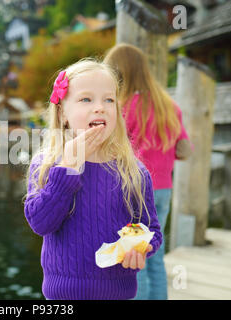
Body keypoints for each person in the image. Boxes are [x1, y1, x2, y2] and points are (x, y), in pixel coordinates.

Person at [23, 58, 162, 300]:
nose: (100, 107)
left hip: (118, 294)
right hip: (62, 296)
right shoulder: (47, 165)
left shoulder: (133, 171)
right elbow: (40, 223)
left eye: (108, 100)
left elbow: (151, 229)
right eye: (86, 99)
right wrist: (67, 168)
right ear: (63, 112)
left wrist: (141, 246)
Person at [104, 44, 193, 300]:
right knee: (154, 254)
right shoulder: (169, 106)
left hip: (134, 190)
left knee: (133, 259)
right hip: (164, 188)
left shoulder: (123, 107)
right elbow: (184, 150)